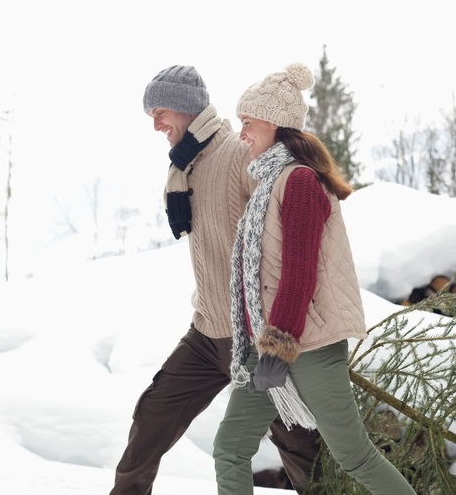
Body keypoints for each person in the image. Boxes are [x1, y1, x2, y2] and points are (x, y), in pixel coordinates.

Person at [109, 64, 324, 495]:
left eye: (160, 111)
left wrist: (283, 331)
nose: (155, 125)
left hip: (252, 332)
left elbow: (292, 223)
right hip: (208, 332)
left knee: (297, 443)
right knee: (152, 416)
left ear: (188, 108)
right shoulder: (186, 168)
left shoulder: (236, 154)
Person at [212, 62, 416, 495]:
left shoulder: (300, 181)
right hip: (267, 342)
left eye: (247, 122)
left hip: (308, 344)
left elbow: (299, 272)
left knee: (354, 455)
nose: (242, 132)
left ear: (275, 123)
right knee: (230, 448)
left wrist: (279, 348)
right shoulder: (271, 182)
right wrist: (264, 346)